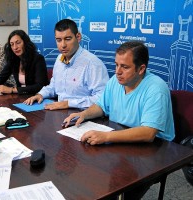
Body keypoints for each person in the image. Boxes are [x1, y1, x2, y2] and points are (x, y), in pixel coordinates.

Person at [63, 41, 175, 199]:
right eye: (116, 65)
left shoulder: (156, 89)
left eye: (125, 67)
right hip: (120, 140)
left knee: (118, 188)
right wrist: (84, 114)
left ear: (141, 68)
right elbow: (102, 106)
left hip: (152, 151)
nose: (117, 72)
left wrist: (106, 137)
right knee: (90, 176)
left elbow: (148, 133)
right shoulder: (116, 82)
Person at [24, 18, 109, 110]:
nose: (63, 45)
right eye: (59, 40)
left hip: (83, 114)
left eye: (67, 39)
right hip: (60, 111)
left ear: (78, 37)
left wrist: (68, 104)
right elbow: (54, 86)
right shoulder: (59, 59)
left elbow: (102, 98)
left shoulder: (92, 64)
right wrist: (40, 94)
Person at [0, 29, 49, 94]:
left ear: (25, 43)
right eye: (12, 44)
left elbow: (39, 86)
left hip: (38, 96)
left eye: (18, 43)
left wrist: (12, 90)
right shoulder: (14, 59)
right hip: (21, 97)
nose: (15, 47)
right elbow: (2, 76)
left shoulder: (38, 59)